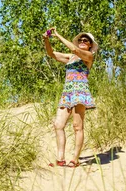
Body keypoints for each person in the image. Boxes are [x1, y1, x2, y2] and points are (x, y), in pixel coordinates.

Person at [42, 27, 98, 168]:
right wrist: (46, 39)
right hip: (67, 93)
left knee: (77, 127)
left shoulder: (88, 56)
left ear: (90, 44)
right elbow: (51, 54)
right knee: (58, 125)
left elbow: (75, 50)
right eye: (81, 39)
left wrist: (58, 35)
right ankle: (60, 158)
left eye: (86, 40)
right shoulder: (70, 58)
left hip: (80, 92)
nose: (83, 41)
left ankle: (75, 159)